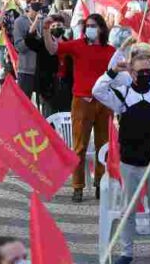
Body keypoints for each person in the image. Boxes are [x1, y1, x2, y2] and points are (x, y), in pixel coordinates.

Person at [93, 44, 150, 264]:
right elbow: (97, 91)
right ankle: (127, 252)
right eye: (140, 72)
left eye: (148, 71)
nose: (145, 75)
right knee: (127, 210)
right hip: (130, 162)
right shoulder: (123, 95)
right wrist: (113, 72)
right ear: (132, 72)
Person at [47, 13, 114, 203]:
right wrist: (46, 30)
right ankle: (77, 187)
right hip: (81, 102)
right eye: (87, 25)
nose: (90, 28)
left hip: (104, 103)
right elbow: (53, 49)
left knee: (104, 146)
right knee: (79, 147)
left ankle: (101, 183)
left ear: (102, 28)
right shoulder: (77, 45)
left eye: (94, 25)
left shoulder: (111, 50)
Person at [26, 13, 70, 116]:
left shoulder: (68, 43)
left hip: (66, 88)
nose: (56, 28)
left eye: (59, 25)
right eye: (53, 26)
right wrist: (36, 21)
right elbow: (29, 41)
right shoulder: (43, 42)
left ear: (64, 27)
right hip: (48, 87)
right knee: (50, 119)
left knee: (65, 120)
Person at [12, 0, 43, 100]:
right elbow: (19, 47)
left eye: (39, 1)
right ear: (29, 3)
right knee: (24, 103)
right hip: (26, 69)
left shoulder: (45, 21)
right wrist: (31, 36)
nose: (37, 3)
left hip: (42, 70)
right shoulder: (19, 22)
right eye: (34, 1)